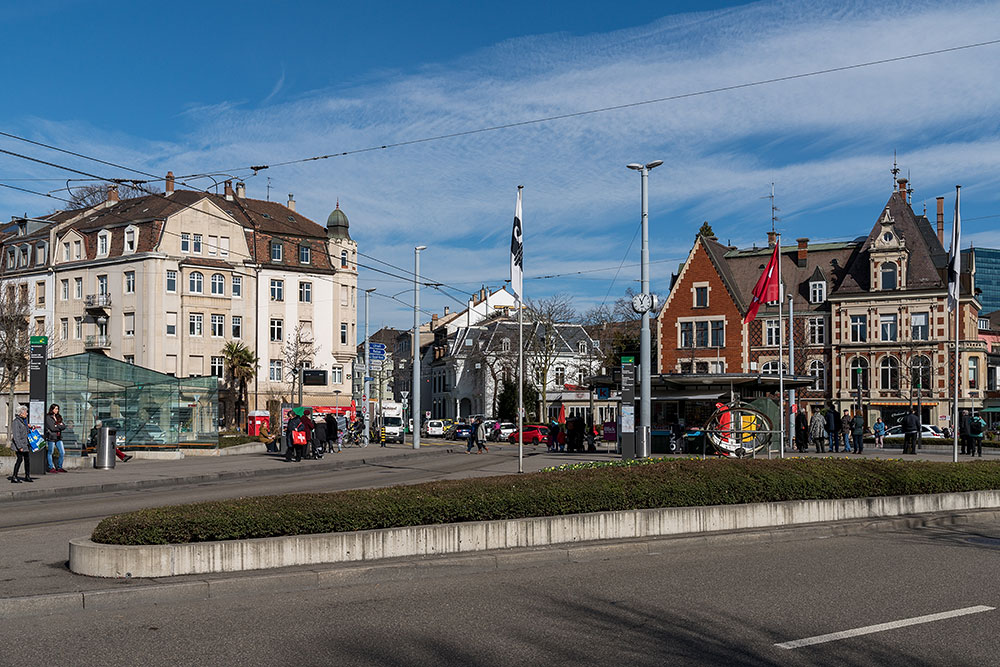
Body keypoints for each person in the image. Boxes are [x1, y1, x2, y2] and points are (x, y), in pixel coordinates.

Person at [9, 405, 33, 483]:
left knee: (27, 460)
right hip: (19, 445)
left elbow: (26, 432)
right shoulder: (16, 422)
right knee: (19, 460)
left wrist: (30, 427)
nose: (27, 413)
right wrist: (19, 446)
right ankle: (14, 476)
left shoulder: (24, 421)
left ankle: (27, 476)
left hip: (25, 444)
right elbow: (16, 435)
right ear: (20, 413)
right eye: (25, 412)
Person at [45, 403, 68, 473]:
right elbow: (52, 428)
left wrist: (57, 426)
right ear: (52, 409)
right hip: (51, 437)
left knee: (62, 452)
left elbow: (64, 426)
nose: (57, 410)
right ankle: (50, 467)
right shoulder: (48, 417)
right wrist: (58, 426)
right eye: (55, 409)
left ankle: (59, 467)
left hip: (58, 437)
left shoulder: (58, 417)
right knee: (50, 452)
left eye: (57, 409)